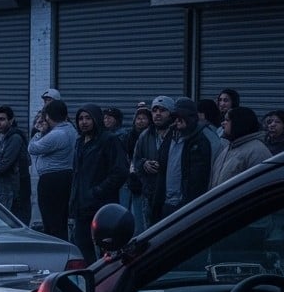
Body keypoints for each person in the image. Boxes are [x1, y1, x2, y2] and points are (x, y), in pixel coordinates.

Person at [68, 104, 128, 263]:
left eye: (88, 118)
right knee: (82, 248)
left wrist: (98, 191)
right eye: (81, 118)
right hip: (82, 207)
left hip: (102, 208)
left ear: (96, 119)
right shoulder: (80, 142)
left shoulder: (109, 140)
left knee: (106, 252)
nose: (84, 122)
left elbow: (120, 171)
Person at [151, 98, 212, 224]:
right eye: (175, 116)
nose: (177, 120)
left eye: (181, 116)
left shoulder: (199, 141)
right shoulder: (170, 136)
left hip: (185, 206)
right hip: (166, 203)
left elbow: (198, 179)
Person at [28, 99, 77, 238]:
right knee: (60, 219)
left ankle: (55, 244)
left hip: (51, 180)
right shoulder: (71, 129)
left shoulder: (57, 134)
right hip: (65, 176)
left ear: (48, 117)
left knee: (50, 219)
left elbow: (32, 148)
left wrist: (38, 132)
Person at [131, 97, 176, 233]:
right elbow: (136, 161)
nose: (157, 114)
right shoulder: (145, 136)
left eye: (162, 110)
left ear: (171, 113)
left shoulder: (177, 135)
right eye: (155, 110)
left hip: (171, 198)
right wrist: (144, 164)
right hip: (150, 196)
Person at [211, 106, 270, 187]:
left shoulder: (257, 152)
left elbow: (260, 186)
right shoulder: (229, 147)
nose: (223, 124)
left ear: (238, 123)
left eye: (227, 120)